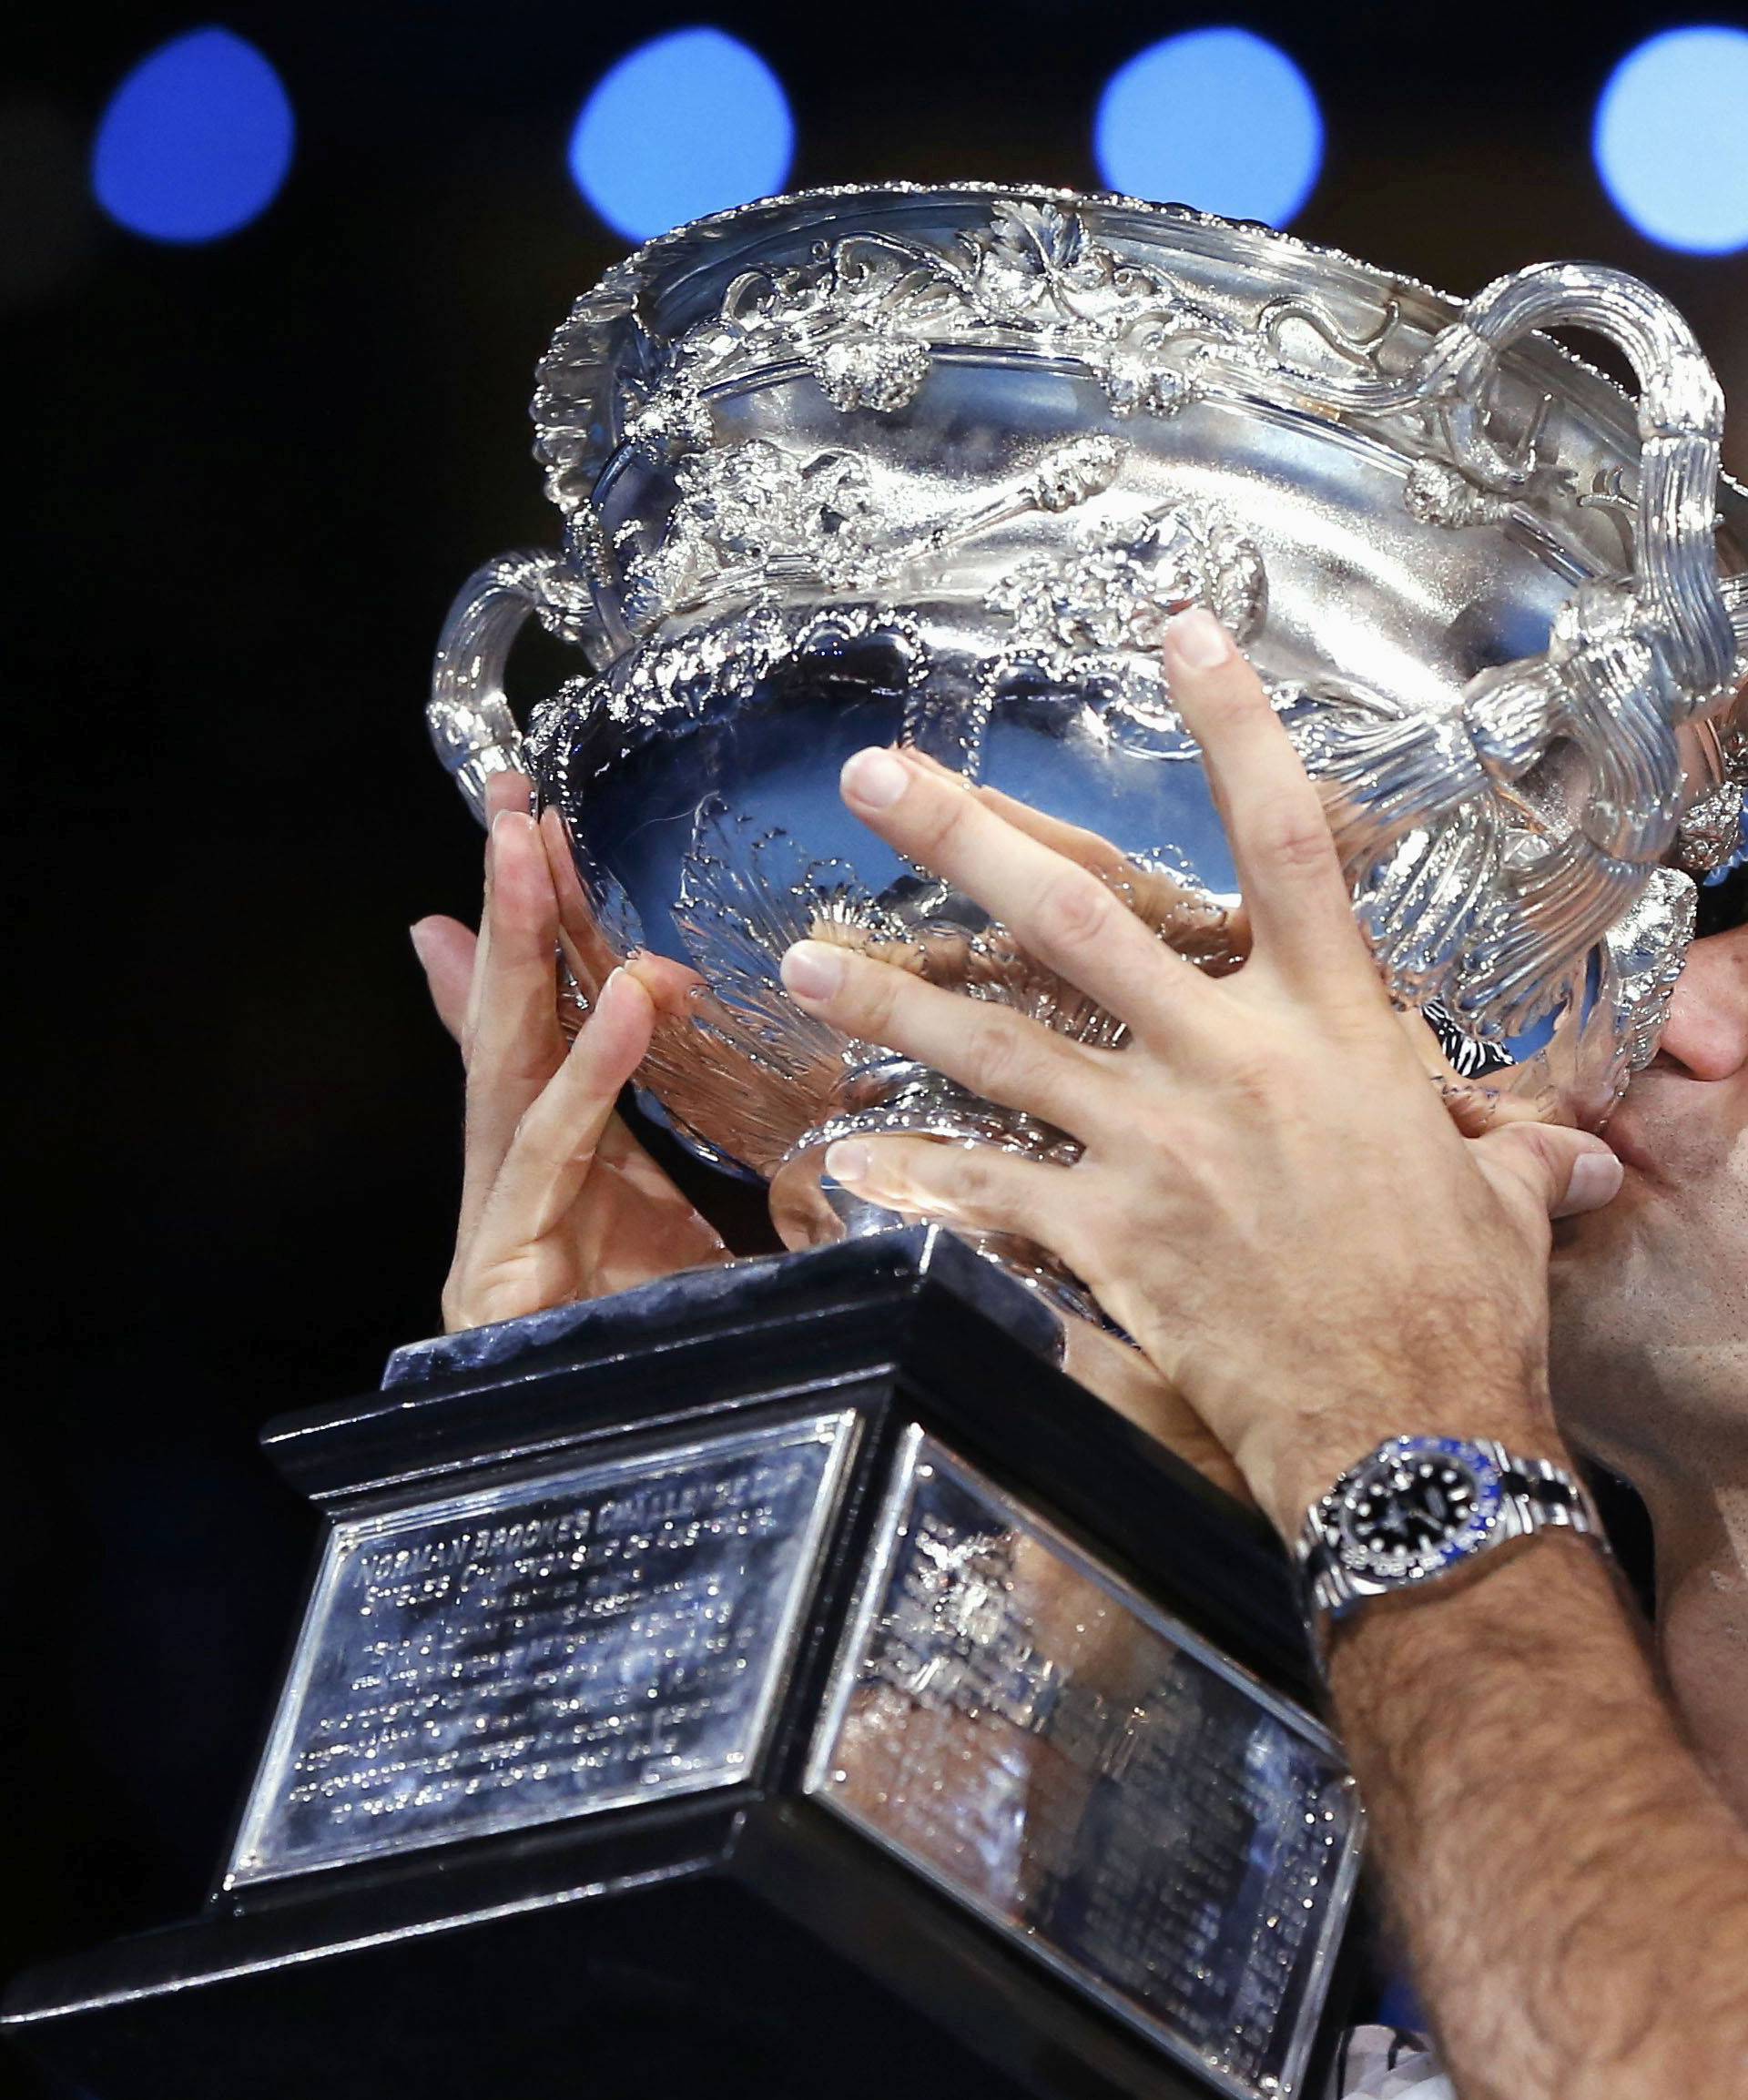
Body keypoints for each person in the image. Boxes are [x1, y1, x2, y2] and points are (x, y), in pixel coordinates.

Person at [412, 604, 1748, 2098]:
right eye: (1659, 904)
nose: (1672, 1005)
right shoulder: (1368, 1860)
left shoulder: (1407, 1488)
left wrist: (1385, 1399)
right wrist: (706, 1567)